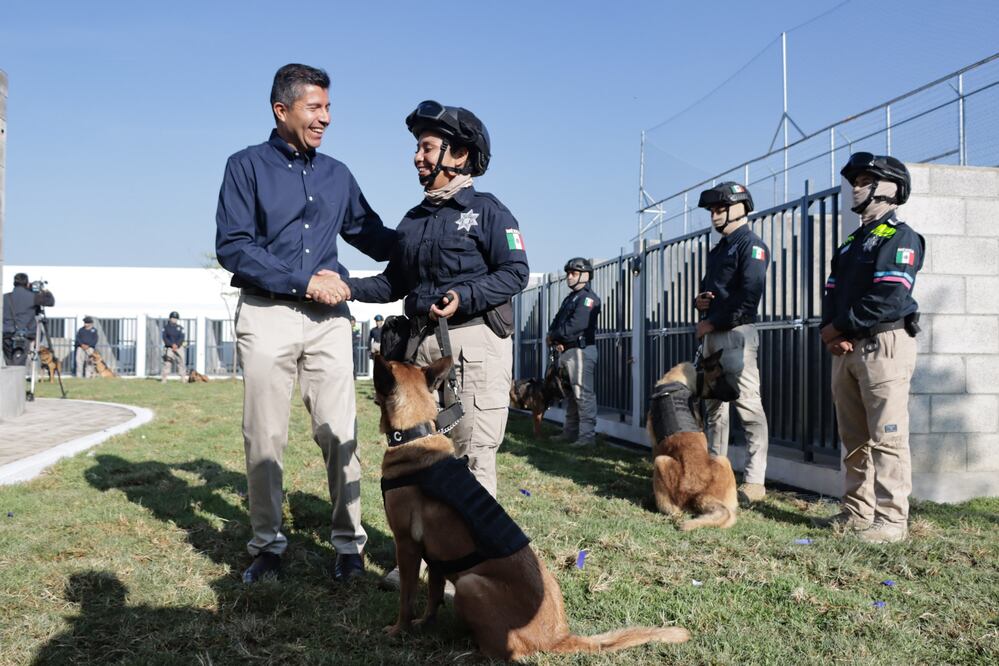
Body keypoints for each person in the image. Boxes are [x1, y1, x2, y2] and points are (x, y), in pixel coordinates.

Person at [215, 63, 396, 584]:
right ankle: (267, 547)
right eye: (315, 107)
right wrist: (304, 281)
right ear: (282, 109)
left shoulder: (338, 174)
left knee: (340, 432)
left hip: (328, 320)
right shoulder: (245, 166)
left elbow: (372, 234)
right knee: (265, 435)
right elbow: (233, 246)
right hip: (266, 312)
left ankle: (349, 547)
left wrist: (427, 237)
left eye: (329, 107)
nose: (326, 118)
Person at [344, 100, 529, 498]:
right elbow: (394, 283)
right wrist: (346, 286)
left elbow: (516, 272)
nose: (417, 157)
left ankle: (475, 541)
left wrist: (464, 295)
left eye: (427, 147)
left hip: (473, 349)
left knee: (472, 455)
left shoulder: (490, 211)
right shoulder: (414, 220)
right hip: (420, 352)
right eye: (417, 148)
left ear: (459, 154)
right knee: (421, 454)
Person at [816, 153, 923, 544]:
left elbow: (889, 296)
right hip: (847, 347)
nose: (856, 188)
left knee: (886, 435)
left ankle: (891, 521)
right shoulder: (850, 243)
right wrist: (830, 332)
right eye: (855, 181)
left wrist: (840, 327)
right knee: (854, 437)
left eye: (865, 181)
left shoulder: (900, 237)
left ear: (890, 188)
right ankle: (857, 512)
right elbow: (831, 293)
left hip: (883, 345)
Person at [694, 182, 771, 505]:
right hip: (712, 336)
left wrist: (714, 321)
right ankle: (715, 475)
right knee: (714, 409)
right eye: (712, 210)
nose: (714, 215)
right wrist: (699, 303)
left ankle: (754, 482)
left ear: (740, 208)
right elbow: (714, 291)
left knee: (748, 407)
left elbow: (750, 295)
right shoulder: (720, 249)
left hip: (736, 335)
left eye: (720, 209)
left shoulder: (752, 246)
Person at [547, 257, 601, 447]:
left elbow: (576, 325)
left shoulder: (588, 299)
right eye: (568, 273)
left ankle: (587, 437)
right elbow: (557, 321)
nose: (569, 277)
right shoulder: (571, 298)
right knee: (571, 396)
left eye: (574, 273)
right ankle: (569, 433)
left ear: (585, 275)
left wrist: (555, 336)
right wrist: (554, 337)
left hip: (581, 352)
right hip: (568, 351)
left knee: (583, 396)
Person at [2, 273, 55, 366]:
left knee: (9, 363)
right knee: (18, 365)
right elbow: (50, 301)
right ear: (27, 283)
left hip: (6, 335)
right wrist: (44, 291)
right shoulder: (33, 297)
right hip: (25, 335)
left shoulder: (4, 297)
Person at [160, 311, 187, 382]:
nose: (174, 319)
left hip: (179, 347)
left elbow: (182, 337)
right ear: (170, 318)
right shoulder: (166, 328)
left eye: (176, 318)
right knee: (167, 363)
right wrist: (171, 345)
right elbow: (164, 338)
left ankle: (183, 378)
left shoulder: (180, 328)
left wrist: (177, 345)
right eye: (173, 318)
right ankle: (164, 379)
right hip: (169, 347)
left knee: (181, 362)